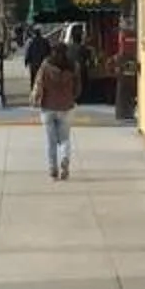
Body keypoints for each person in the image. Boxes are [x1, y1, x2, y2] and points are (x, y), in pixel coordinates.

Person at [30, 35, 82, 181]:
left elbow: (39, 83)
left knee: (51, 141)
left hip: (48, 106)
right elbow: (78, 87)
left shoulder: (46, 65)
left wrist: (35, 98)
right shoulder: (73, 66)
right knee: (65, 138)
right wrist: (72, 96)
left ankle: (53, 168)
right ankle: (65, 158)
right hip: (66, 106)